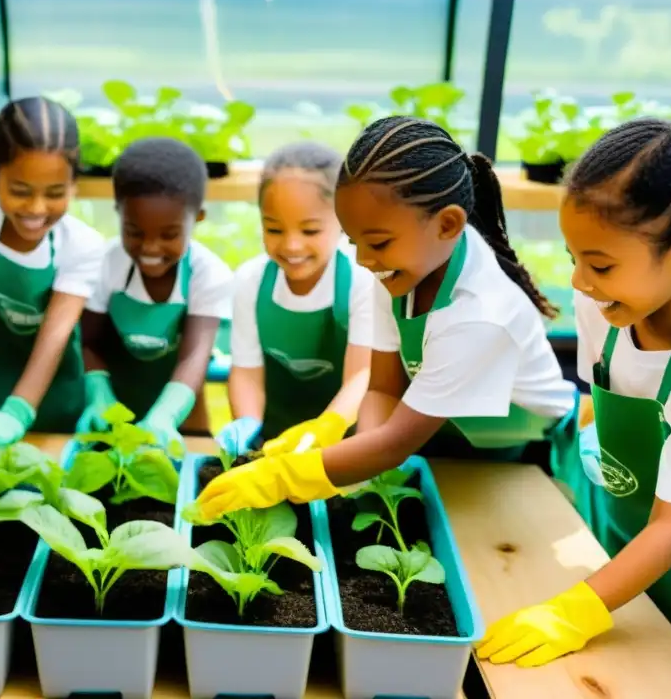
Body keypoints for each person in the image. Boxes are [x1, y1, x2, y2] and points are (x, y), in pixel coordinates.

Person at [193, 116, 579, 520]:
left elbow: (394, 443)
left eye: (376, 243)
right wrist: (352, 450)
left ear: (447, 224)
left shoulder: (479, 315)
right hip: (437, 442)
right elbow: (382, 388)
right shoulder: (402, 264)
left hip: (513, 459)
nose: (362, 259)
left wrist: (286, 475)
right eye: (353, 241)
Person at [477, 119, 671, 684]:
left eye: (602, 265)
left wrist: (574, 611)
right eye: (574, 257)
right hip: (617, 540)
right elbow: (598, 398)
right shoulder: (606, 308)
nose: (580, 282)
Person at [0, 96, 105, 443]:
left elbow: (55, 334)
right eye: (20, 191)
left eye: (55, 193)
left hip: (55, 397)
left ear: (74, 186)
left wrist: (18, 411)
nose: (37, 208)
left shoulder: (82, 244)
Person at [215, 142, 375, 457]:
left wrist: (325, 430)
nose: (291, 245)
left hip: (342, 442)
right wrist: (247, 424)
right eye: (274, 229)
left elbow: (361, 375)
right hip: (272, 440)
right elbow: (247, 372)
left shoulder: (361, 281)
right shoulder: (251, 281)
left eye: (310, 231)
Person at [78, 137, 233, 448]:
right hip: (114, 414)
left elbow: (194, 356)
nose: (150, 248)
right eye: (134, 232)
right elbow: (89, 342)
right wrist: (98, 394)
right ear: (118, 213)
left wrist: (166, 415)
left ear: (198, 217)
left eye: (169, 234)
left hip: (183, 414)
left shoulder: (207, 273)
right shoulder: (105, 264)